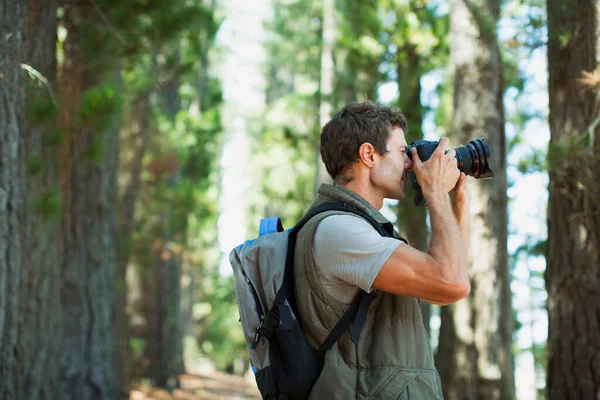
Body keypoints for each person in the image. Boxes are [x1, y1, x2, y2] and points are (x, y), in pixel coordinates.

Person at [292, 101, 470, 399]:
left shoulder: (362, 229)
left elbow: (440, 289)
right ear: (368, 155)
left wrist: (456, 206)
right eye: (402, 152)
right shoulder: (341, 231)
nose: (411, 163)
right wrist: (435, 192)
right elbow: (450, 282)